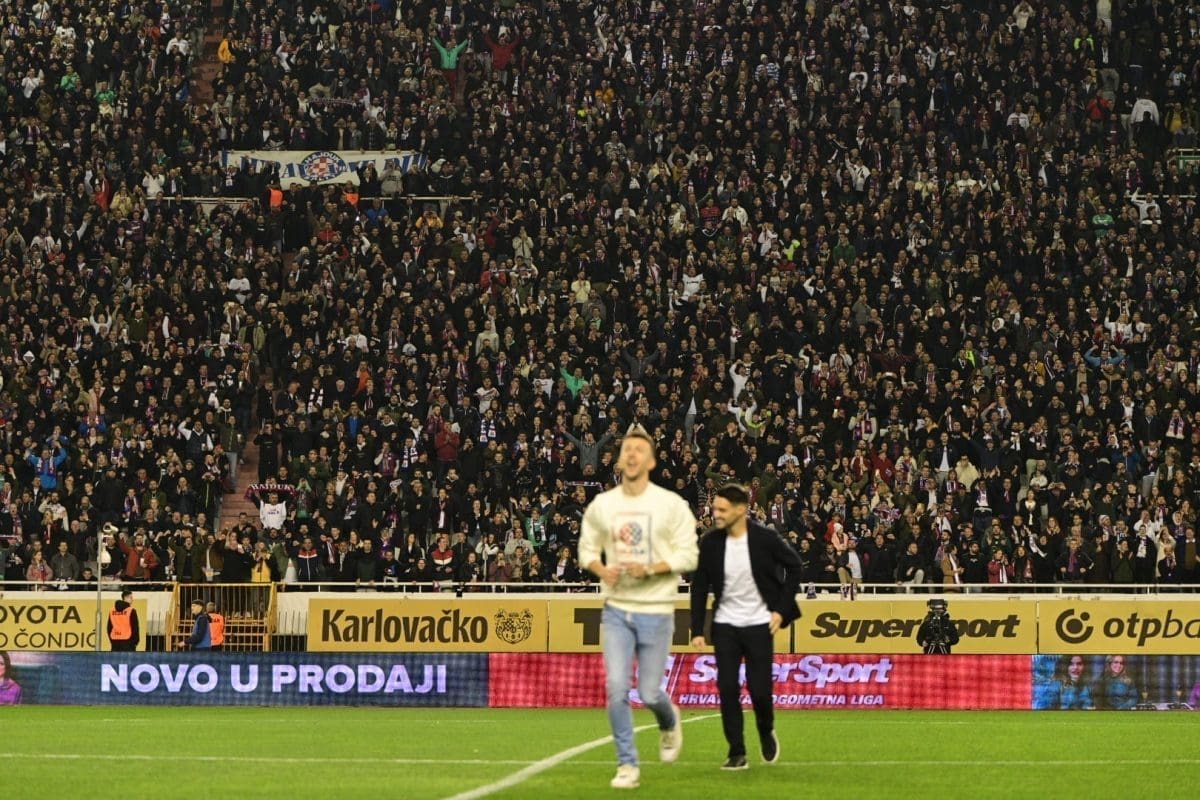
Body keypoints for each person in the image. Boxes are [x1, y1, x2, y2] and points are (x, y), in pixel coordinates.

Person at [579, 423, 699, 790]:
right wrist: (602, 569)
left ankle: (668, 720)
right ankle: (627, 764)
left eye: (639, 450)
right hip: (616, 609)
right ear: (618, 460)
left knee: (648, 693)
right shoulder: (603, 505)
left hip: (657, 609)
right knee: (616, 688)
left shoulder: (671, 504)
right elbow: (586, 550)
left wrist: (651, 569)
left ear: (652, 461)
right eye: (626, 449)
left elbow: (689, 555)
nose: (631, 454)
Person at [689, 483, 802, 770]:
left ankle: (766, 730)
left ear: (741, 509)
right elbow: (699, 586)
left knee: (760, 691)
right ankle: (736, 752)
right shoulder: (710, 543)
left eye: (722, 509)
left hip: (759, 625)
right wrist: (697, 630)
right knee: (727, 687)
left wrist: (781, 610)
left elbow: (795, 566)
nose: (716, 514)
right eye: (715, 508)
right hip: (725, 625)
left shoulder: (765, 538)